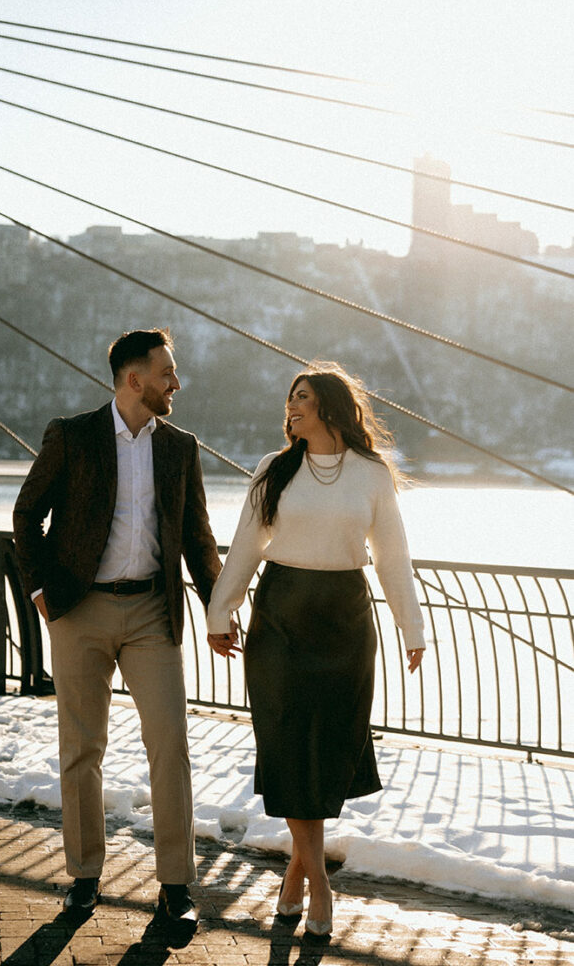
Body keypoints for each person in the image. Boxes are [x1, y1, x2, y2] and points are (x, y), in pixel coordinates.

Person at [206, 363, 425, 937]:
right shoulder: (272, 471)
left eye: (302, 398)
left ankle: (295, 875)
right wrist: (219, 612)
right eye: (289, 399)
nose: (291, 407)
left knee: (329, 750)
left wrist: (413, 629)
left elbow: (393, 558)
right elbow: (246, 548)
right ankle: (320, 885)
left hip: (344, 620)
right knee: (284, 744)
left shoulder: (372, 475)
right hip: (280, 616)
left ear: (328, 406)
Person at [13, 328, 221, 919]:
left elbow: (199, 538)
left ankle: (176, 886)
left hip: (153, 612)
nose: (175, 383)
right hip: (80, 609)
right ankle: (84, 876)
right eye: (166, 374)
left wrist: (219, 608)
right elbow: (27, 513)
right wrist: (38, 591)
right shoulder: (72, 436)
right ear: (135, 380)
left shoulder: (180, 447)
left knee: (170, 745)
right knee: (82, 748)